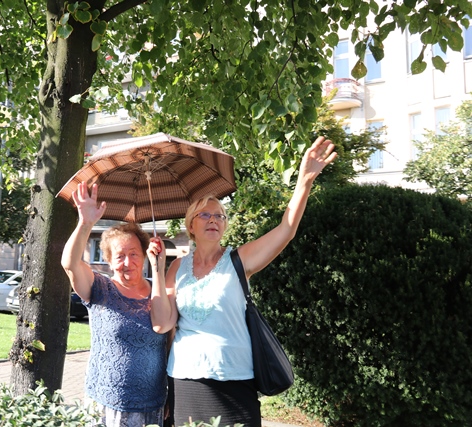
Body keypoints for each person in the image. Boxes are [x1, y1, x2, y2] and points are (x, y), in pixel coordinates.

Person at [147, 136, 337, 426]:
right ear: (191, 224)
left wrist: (305, 181)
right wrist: (157, 269)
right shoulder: (176, 268)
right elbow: (162, 324)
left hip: (235, 379)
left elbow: (286, 230)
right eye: (205, 214)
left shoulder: (238, 259)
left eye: (220, 216)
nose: (214, 219)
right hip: (185, 379)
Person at [61, 181, 168, 427]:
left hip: (152, 404)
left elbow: (169, 342)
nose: (127, 262)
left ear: (144, 256)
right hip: (106, 404)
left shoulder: (159, 289)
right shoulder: (100, 288)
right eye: (119, 256)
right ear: (109, 261)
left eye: (134, 254)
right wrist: (85, 223)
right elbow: (70, 264)